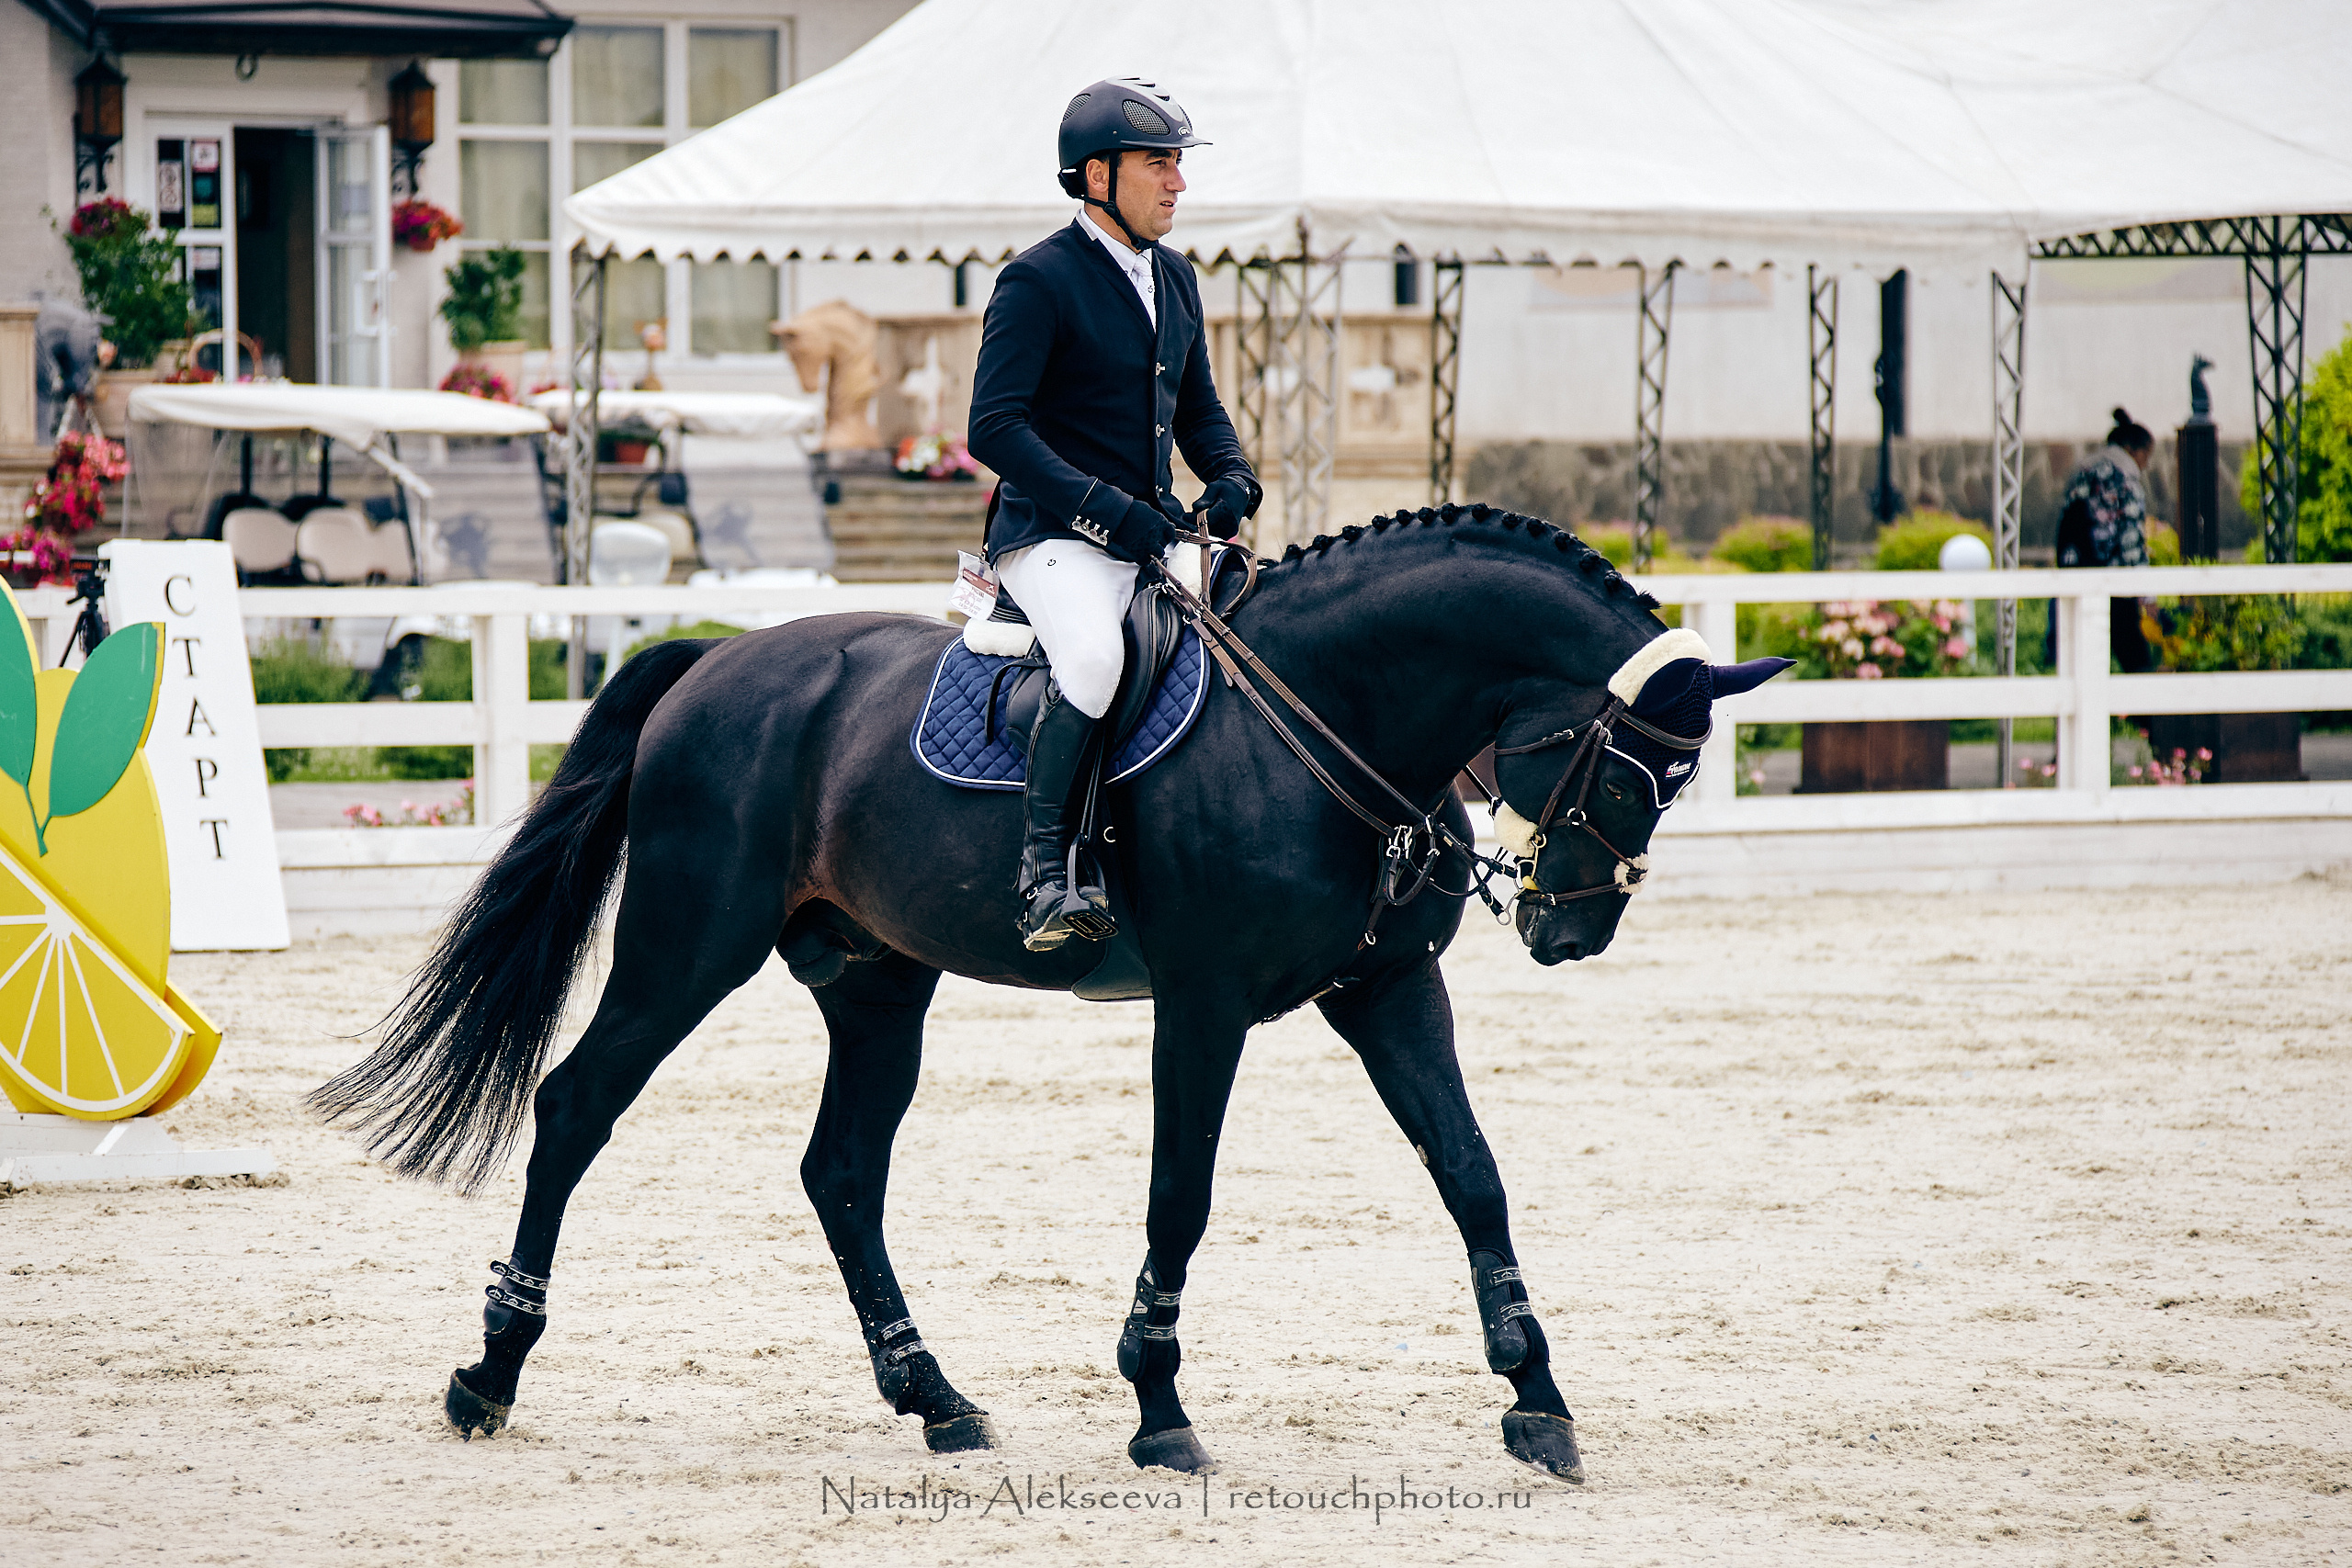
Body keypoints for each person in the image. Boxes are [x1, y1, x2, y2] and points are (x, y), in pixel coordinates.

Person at [967, 77, 1262, 953]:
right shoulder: (1039, 279)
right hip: (1051, 537)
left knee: (1261, 642)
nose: (1178, 182)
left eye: (1178, 163)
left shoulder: (1173, 277)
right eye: (1158, 163)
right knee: (1094, 660)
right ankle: (1045, 873)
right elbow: (995, 426)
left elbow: (1199, 410)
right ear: (1098, 175)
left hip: (1152, 531)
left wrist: (1232, 475)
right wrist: (1105, 511)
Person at [2052, 407, 2155, 673]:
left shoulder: (2082, 472)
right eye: (2147, 457)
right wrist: (2147, 595)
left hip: (2077, 573)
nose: (2146, 465)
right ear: (2137, 451)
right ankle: (2144, 715)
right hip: (2115, 582)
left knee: (2080, 662)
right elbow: (2131, 540)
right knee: (2135, 659)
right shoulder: (2126, 481)